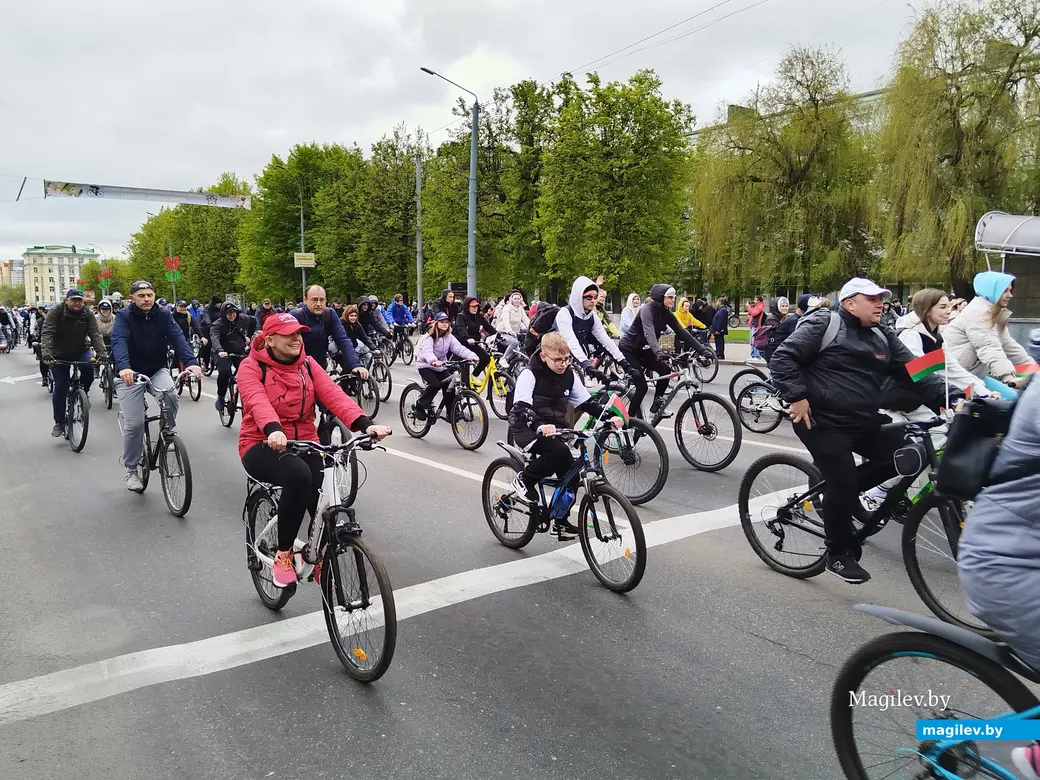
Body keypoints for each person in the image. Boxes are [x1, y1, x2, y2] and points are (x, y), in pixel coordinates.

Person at [769, 277, 956, 584]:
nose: (880, 304)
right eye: (872, 299)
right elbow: (783, 357)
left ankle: (849, 492)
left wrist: (954, 397)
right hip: (821, 421)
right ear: (849, 303)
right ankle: (837, 554)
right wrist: (796, 396)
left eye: (882, 298)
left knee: (910, 452)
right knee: (841, 482)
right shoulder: (824, 323)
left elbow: (915, 372)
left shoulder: (883, 334)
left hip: (863, 420)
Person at [237, 313, 392, 588]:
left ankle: (318, 554)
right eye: (288, 335)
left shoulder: (307, 364)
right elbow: (257, 401)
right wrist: (273, 429)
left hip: (306, 441)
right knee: (299, 476)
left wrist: (366, 424)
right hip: (262, 442)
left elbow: (333, 395)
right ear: (270, 340)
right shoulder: (251, 367)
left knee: (324, 494)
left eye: (298, 334)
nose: (296, 339)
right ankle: (284, 554)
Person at [956, 330, 1040, 780]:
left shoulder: (994, 322)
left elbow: (1000, 354)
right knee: (847, 474)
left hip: (978, 402)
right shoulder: (926, 330)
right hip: (1010, 561)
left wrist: (983, 387)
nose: (947, 308)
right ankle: (844, 536)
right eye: (940, 305)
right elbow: (928, 367)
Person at [508, 332, 625, 540]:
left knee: (571, 477)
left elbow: (586, 403)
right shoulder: (530, 374)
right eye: (558, 360)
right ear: (544, 356)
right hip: (527, 428)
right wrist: (540, 426)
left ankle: (560, 521)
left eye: (567, 359)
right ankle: (524, 479)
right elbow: (521, 408)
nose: (563, 364)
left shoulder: (569, 375)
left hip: (556, 429)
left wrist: (609, 416)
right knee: (559, 452)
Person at [111, 280, 201, 492]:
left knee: (171, 395)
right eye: (141, 295)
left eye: (149, 295)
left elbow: (177, 337)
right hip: (130, 373)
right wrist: (124, 367)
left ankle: (166, 433)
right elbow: (119, 341)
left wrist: (191, 362)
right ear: (132, 298)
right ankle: (131, 470)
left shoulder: (163, 314)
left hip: (156, 369)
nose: (146, 299)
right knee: (134, 424)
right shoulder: (124, 316)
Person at [619, 284, 714, 419]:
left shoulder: (666, 313)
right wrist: (659, 353)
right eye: (670, 297)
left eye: (674, 297)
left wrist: (703, 351)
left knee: (665, 370)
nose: (673, 300)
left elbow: (682, 332)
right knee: (642, 386)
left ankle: (656, 408)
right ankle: (630, 420)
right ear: (660, 297)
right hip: (629, 349)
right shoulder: (647, 310)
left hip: (644, 349)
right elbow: (649, 332)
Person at [943, 270, 1035, 395]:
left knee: (1011, 398)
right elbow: (988, 347)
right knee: (1009, 399)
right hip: (958, 378)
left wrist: (1033, 370)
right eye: (1005, 291)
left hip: (974, 374)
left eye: (1010, 290)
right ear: (991, 291)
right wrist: (1008, 377)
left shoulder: (993, 312)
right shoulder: (978, 313)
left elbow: (1009, 346)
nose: (1010, 295)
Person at [41, 289, 107, 437]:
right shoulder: (56, 311)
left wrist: (102, 354)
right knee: (61, 385)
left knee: (89, 369)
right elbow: (47, 332)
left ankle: (83, 392)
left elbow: (95, 334)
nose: (77, 303)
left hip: (80, 350)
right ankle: (59, 422)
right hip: (58, 353)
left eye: (80, 300)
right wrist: (46, 353)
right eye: (74, 300)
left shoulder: (88, 313)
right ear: (67, 300)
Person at [555, 276, 630, 377]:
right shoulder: (564, 313)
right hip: (550, 357)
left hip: (567, 356)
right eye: (589, 297)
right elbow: (571, 341)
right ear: (578, 296)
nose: (593, 301)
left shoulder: (592, 316)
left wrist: (625, 364)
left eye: (595, 297)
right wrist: (587, 365)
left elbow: (605, 340)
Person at [291, 286, 367, 379]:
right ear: (305, 300)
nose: (318, 304)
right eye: (314, 300)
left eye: (322, 300)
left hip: (320, 368)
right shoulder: (295, 316)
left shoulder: (329, 314)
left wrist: (356, 365)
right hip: (297, 370)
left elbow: (343, 340)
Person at [414, 312, 478, 419]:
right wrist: (433, 361)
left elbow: (458, 348)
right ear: (436, 323)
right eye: (442, 322)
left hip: (441, 366)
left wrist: (472, 355)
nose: (445, 324)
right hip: (426, 366)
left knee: (450, 386)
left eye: (447, 322)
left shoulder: (449, 337)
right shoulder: (429, 337)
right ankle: (420, 406)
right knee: (435, 385)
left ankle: (451, 412)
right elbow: (427, 351)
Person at [211, 302, 252, 412]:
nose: (232, 315)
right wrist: (220, 350)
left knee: (248, 372)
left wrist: (250, 336)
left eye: (234, 312)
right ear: (224, 313)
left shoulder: (243, 319)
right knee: (225, 372)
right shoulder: (217, 325)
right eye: (229, 313)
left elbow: (254, 321)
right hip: (222, 352)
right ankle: (221, 396)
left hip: (238, 350)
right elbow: (214, 338)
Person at [455, 296, 497, 378]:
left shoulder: (479, 317)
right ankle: (465, 383)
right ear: (467, 307)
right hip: (462, 344)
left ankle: (474, 375)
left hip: (474, 343)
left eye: (476, 306)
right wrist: (467, 338)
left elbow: (488, 327)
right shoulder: (461, 316)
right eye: (473, 307)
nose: (475, 308)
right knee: (465, 365)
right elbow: (461, 329)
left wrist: (498, 336)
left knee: (486, 358)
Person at [493, 290, 529, 366]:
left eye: (518, 299)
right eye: (515, 299)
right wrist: (509, 330)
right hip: (503, 333)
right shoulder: (507, 308)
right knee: (515, 343)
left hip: (513, 334)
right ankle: (504, 359)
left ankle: (513, 368)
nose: (517, 300)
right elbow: (506, 320)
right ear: (511, 299)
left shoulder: (520, 309)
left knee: (519, 349)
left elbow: (525, 319)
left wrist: (530, 328)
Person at [756, 296, 789, 364]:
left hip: (773, 347)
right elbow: (780, 333)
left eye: (786, 306)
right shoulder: (772, 319)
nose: (785, 308)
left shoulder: (783, 317)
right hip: (767, 348)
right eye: (782, 306)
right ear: (777, 307)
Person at [746, 296, 766, 362]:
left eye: (755, 300)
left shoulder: (760, 306)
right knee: (752, 341)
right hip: (753, 325)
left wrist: (748, 307)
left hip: (756, 326)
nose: (754, 301)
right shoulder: (756, 306)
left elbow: (754, 313)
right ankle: (753, 355)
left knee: (755, 341)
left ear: (759, 301)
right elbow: (751, 313)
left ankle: (757, 355)